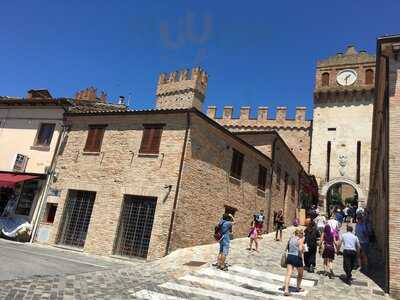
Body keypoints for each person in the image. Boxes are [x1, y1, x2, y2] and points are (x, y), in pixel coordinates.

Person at [283, 229, 305, 296]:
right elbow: (300, 250)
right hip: (297, 257)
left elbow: (286, 248)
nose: (303, 235)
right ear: (299, 234)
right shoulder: (300, 240)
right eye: (302, 234)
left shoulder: (290, 239)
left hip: (289, 256)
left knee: (288, 274)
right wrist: (303, 248)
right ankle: (298, 287)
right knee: (300, 274)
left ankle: (286, 290)